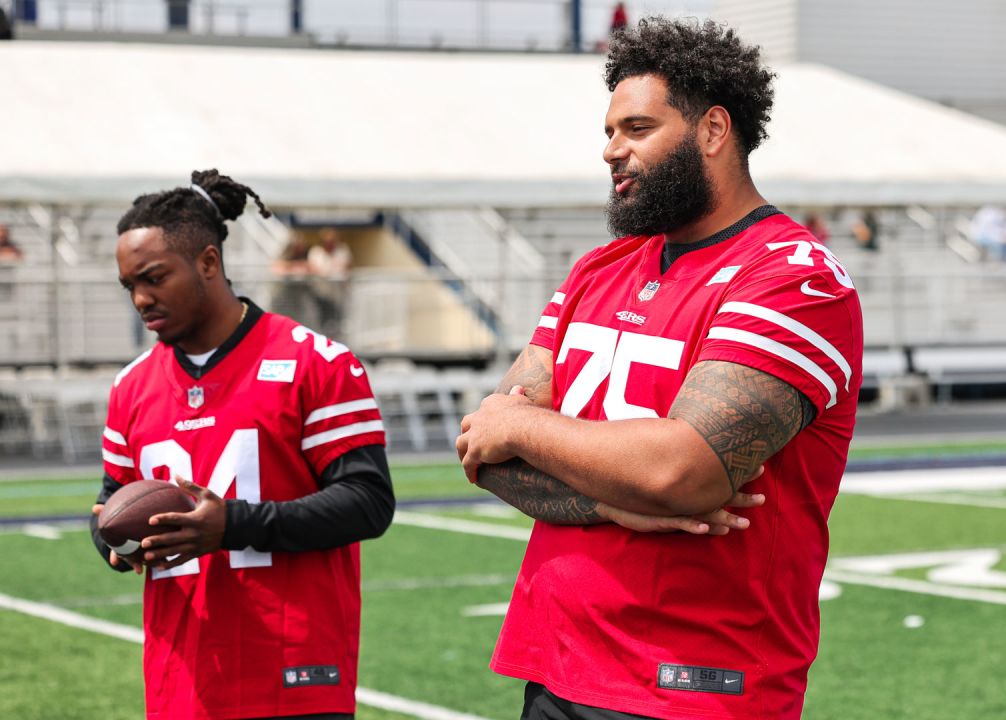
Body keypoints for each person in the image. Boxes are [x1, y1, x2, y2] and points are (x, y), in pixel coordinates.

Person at [455, 18, 863, 720]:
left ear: (711, 131)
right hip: (558, 665)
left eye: (637, 128)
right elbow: (482, 450)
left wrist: (522, 426)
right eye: (610, 132)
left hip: (697, 684)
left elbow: (682, 471)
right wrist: (611, 498)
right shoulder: (598, 268)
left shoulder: (792, 277)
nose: (612, 151)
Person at [89, 169, 394, 720]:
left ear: (208, 262)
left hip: (293, 672)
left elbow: (368, 502)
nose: (140, 298)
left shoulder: (315, 361)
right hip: (181, 682)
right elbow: (110, 503)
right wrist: (115, 539)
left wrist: (231, 524)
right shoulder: (129, 387)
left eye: (154, 277)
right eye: (129, 284)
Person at [307, 228, 352, 339]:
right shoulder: (316, 252)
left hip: (338, 294)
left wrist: (329, 272)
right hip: (321, 293)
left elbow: (345, 267)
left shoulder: (342, 251)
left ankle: (337, 341)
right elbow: (314, 269)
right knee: (322, 320)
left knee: (338, 321)